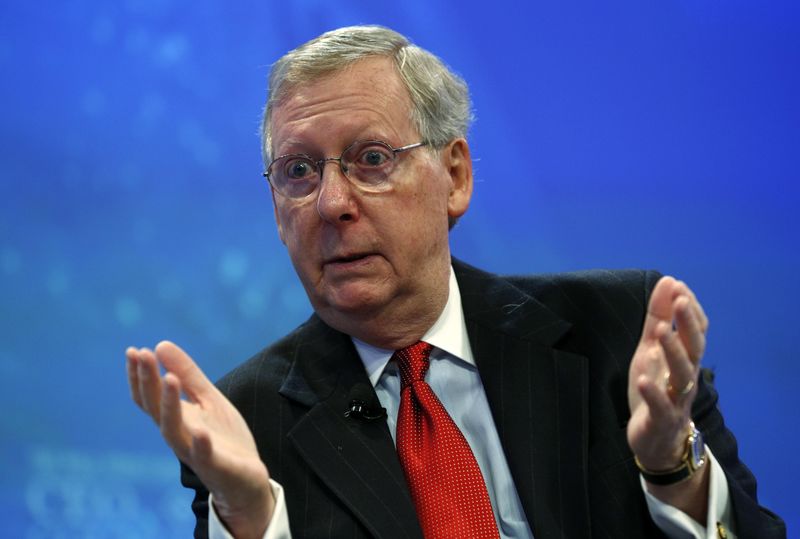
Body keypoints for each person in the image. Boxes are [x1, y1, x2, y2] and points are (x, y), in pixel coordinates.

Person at [126, 25, 785, 539]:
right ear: (276, 209)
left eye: (372, 159)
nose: (331, 203)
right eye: (298, 171)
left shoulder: (616, 336)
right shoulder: (250, 422)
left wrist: (672, 468)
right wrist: (248, 515)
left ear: (456, 176)